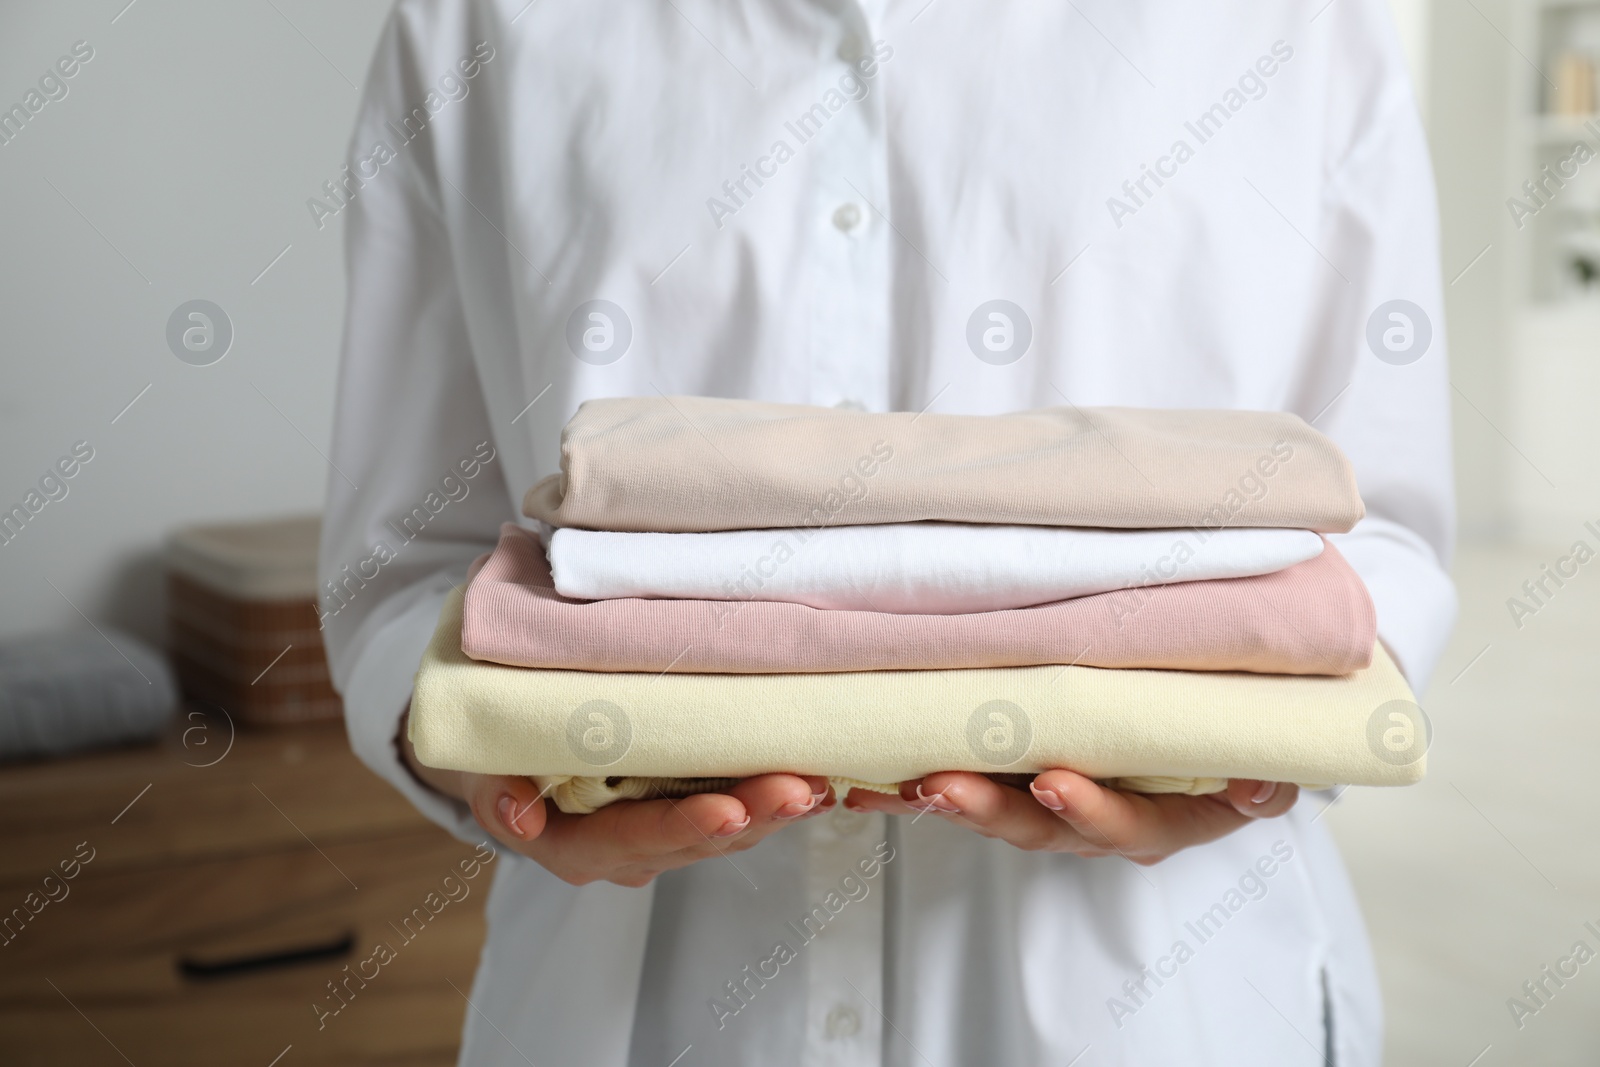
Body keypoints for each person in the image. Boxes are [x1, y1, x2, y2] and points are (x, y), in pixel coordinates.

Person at [320, 1, 1455, 1063]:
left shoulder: (1294, 27)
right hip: (639, 1006)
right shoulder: (478, 24)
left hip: (1170, 998)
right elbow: (408, 557)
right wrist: (482, 763)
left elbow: (1382, 535)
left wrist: (1250, 740)